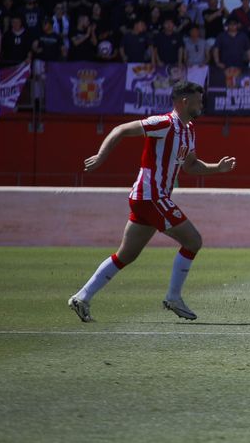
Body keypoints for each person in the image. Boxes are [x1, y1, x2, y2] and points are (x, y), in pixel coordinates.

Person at [68, 81, 236, 323]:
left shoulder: (189, 130)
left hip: (148, 199)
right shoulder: (164, 123)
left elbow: (190, 166)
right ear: (184, 101)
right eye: (198, 100)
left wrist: (217, 169)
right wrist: (101, 156)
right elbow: (121, 129)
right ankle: (173, 297)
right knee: (193, 241)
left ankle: (81, 297)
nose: (202, 104)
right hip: (151, 196)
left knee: (126, 255)